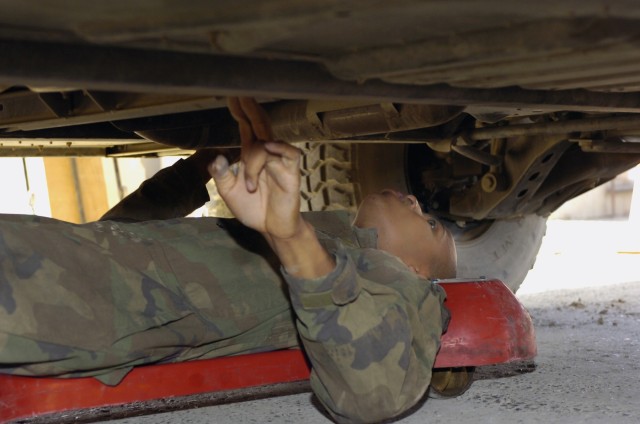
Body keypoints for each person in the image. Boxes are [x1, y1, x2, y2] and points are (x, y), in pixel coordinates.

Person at [0, 98, 456, 424]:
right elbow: (123, 239)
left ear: (418, 272)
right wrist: (201, 169)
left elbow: (375, 394)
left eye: (431, 224)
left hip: (48, 297)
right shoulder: (328, 239)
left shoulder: (393, 284)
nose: (417, 200)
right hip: (49, 257)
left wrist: (292, 237)